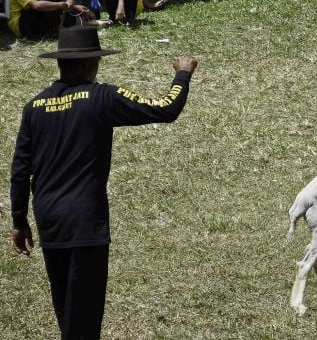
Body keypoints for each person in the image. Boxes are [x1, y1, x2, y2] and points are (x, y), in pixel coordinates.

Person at [10, 26, 198, 339]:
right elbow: (166, 108)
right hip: (85, 223)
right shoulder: (100, 97)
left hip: (49, 221)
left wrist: (18, 221)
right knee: (83, 320)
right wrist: (183, 74)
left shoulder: (34, 107)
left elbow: (19, 170)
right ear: (87, 64)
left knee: (67, 312)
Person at [8, 0, 93, 39]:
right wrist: (61, 5)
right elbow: (36, 6)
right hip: (22, 24)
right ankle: (49, 31)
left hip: (36, 16)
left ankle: (55, 29)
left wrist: (70, 2)